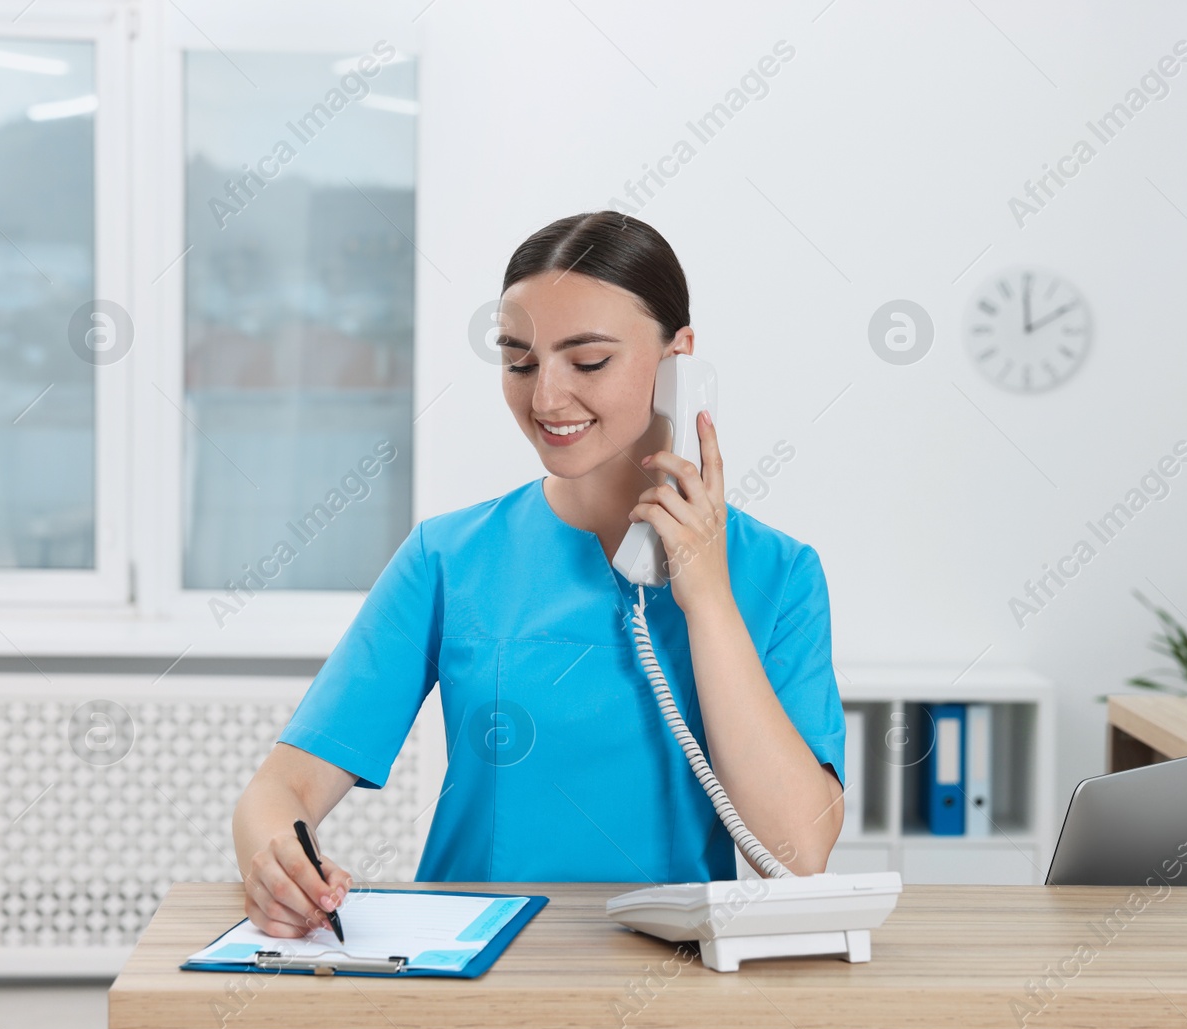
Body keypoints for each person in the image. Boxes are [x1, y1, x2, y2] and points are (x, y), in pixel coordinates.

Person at [232, 211, 847, 937]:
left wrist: (706, 595)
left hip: (670, 983)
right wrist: (277, 861)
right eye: (520, 361)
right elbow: (283, 788)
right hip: (471, 973)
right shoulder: (447, 557)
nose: (546, 398)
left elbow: (798, 852)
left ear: (680, 360)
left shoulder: (780, 573)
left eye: (588, 362)